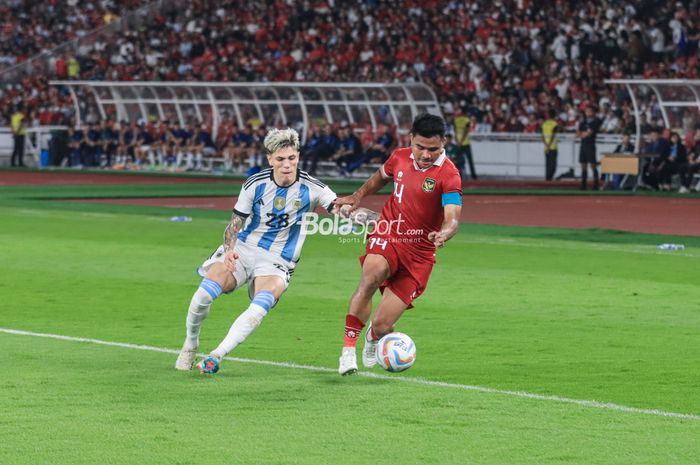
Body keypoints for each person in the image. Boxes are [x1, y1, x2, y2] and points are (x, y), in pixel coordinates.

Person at [174, 128, 368, 374]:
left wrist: (380, 222)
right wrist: (230, 249)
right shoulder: (255, 184)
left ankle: (216, 356)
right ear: (270, 159)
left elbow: (345, 211)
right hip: (244, 248)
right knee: (203, 295)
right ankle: (191, 344)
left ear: (298, 156)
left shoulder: (313, 187)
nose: (287, 165)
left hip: (278, 260)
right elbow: (235, 224)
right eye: (280, 159)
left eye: (291, 158)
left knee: (261, 303)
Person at [336, 113, 463, 376]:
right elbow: (380, 177)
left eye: (433, 149)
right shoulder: (400, 157)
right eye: (420, 147)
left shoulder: (449, 174)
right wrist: (358, 196)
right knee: (370, 277)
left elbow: (452, 217)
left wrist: (445, 232)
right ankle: (348, 350)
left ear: (444, 143)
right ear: (411, 140)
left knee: (383, 325)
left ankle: (373, 337)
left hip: (419, 254)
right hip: (389, 232)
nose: (425, 155)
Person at [576, 106, 601, 190]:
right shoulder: (583, 122)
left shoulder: (596, 121)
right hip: (583, 145)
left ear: (593, 112)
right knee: (583, 164)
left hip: (590, 145)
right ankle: (583, 184)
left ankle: (596, 183)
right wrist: (583, 134)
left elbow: (589, 133)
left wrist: (583, 134)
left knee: (593, 164)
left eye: (590, 111)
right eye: (587, 111)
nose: (588, 113)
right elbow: (578, 134)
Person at [453, 108, 477, 180]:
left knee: (457, 160)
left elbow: (455, 132)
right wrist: (461, 141)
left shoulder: (455, 120)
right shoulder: (467, 120)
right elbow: (466, 131)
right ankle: (473, 176)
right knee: (470, 161)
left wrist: (457, 141)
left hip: (459, 143)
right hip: (465, 143)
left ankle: (457, 176)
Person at [541, 110, 559, 181]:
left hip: (546, 147)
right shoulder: (555, 124)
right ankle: (549, 179)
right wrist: (549, 145)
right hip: (553, 147)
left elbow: (542, 136)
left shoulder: (544, 124)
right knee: (553, 166)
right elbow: (553, 135)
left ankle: (547, 180)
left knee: (547, 165)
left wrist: (546, 145)